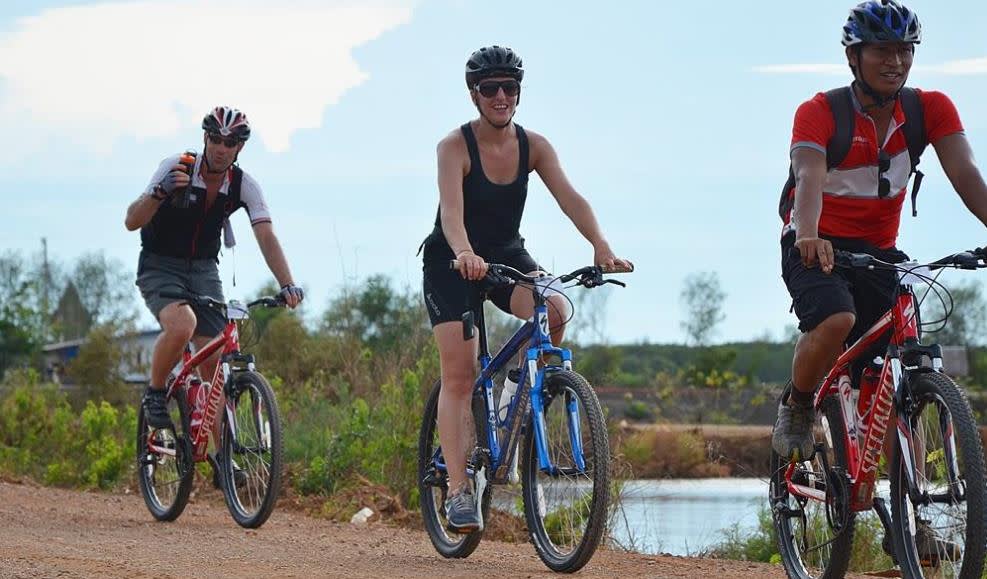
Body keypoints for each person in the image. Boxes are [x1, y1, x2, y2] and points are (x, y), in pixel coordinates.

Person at [774, 0, 987, 558]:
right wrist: (808, 233)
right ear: (855, 56)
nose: (896, 61)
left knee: (900, 360)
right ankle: (798, 405)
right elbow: (808, 175)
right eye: (883, 51)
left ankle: (913, 527)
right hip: (812, 241)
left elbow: (965, 172)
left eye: (905, 51)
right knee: (837, 317)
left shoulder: (929, 109)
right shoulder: (820, 110)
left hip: (881, 252)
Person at [419, 45, 632, 533]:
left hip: (508, 257)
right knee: (459, 373)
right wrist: (466, 253)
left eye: (509, 88)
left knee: (555, 309)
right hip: (453, 262)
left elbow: (570, 197)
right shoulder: (454, 147)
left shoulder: (533, 145)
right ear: (474, 95)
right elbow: (451, 214)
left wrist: (600, 244)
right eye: (490, 88)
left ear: (519, 93)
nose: (500, 96)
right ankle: (456, 491)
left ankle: (505, 412)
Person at [125, 106, 304, 479]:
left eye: (231, 143)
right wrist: (159, 193)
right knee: (181, 325)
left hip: (204, 270)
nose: (222, 149)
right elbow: (132, 220)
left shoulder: (244, 185)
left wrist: (287, 283)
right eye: (216, 140)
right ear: (205, 138)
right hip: (160, 265)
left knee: (215, 366)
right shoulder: (176, 167)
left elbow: (266, 235)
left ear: (240, 148)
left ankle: (223, 460)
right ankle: (156, 392)